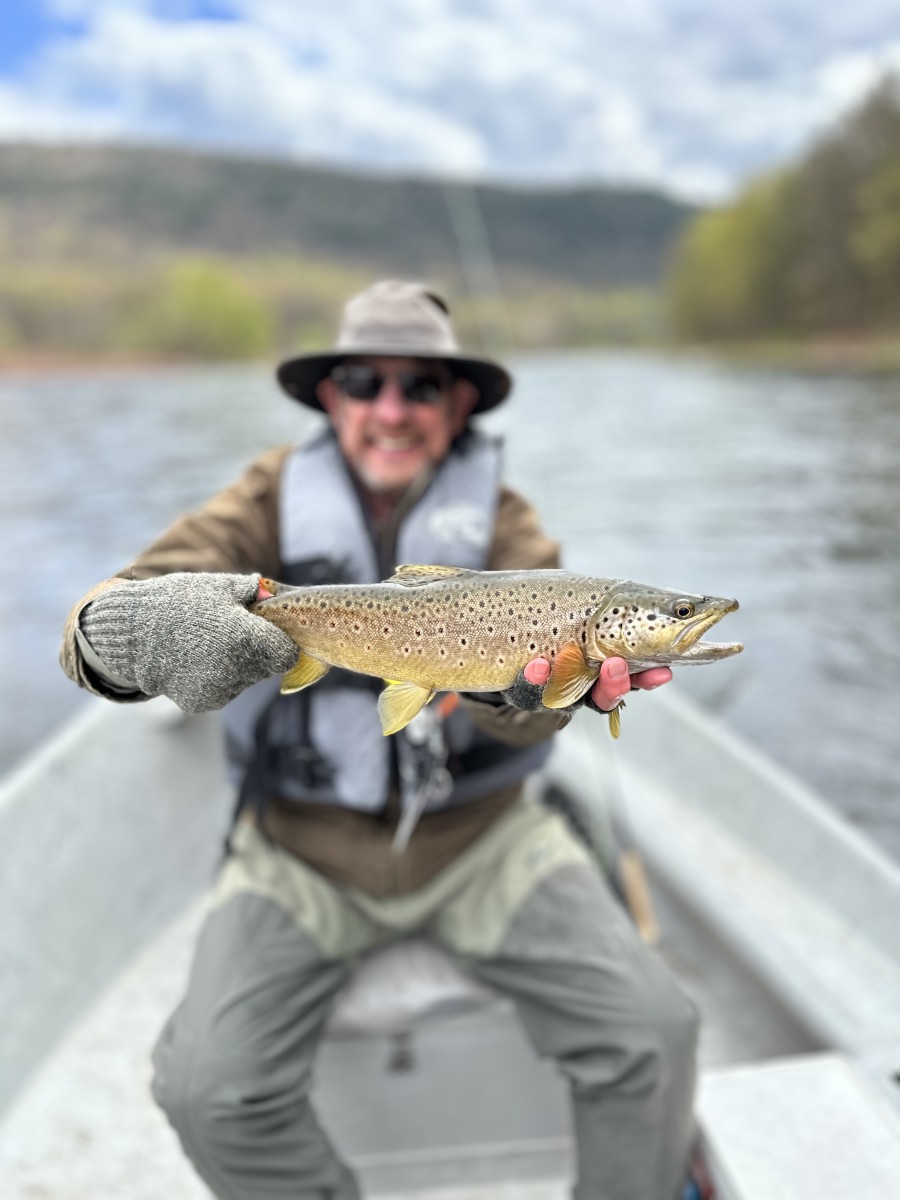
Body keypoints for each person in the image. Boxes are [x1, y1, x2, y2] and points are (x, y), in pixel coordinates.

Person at [60, 280, 699, 1200]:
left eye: (422, 387)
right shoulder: (265, 499)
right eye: (364, 381)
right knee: (206, 1090)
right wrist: (123, 637)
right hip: (298, 850)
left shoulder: (510, 526)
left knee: (656, 1033)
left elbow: (535, 706)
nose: (391, 409)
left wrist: (530, 697)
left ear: (460, 402)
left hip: (485, 839)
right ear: (331, 397)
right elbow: (92, 621)